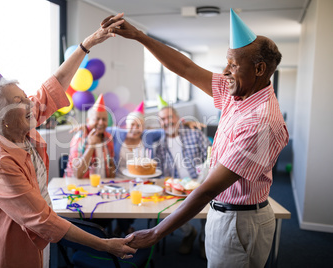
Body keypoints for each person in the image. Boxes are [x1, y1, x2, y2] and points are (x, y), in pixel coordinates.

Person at [102, 9, 289, 267]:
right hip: (222, 211)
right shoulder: (237, 91)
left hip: (240, 221)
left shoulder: (260, 121)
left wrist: (156, 232)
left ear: (258, 69)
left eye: (233, 64)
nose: (225, 71)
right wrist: (139, 36)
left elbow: (209, 188)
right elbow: (186, 67)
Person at [0, 14, 136, 267]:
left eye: (25, 96)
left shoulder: (14, 124)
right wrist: (105, 245)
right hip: (13, 247)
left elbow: (52, 88)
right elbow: (44, 220)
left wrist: (87, 44)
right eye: (19, 101)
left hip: (41, 239)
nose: (30, 104)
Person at [154, 105, 210, 256]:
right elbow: (160, 173)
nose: (167, 122)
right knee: (168, 209)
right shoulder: (159, 146)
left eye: (170, 117)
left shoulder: (195, 135)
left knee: (209, 208)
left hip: (201, 182)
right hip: (176, 187)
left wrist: (205, 176)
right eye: (162, 119)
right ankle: (189, 233)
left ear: (178, 119)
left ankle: (205, 239)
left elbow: (212, 155)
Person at [66, 94, 116, 179]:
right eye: (97, 119)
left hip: (102, 186)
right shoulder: (80, 137)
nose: (101, 123)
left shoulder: (108, 137)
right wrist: (91, 146)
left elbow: (111, 165)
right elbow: (77, 174)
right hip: (80, 187)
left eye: (104, 119)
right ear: (88, 120)